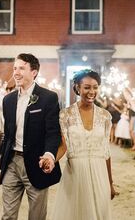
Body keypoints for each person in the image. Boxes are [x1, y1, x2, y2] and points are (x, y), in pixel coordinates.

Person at [0, 53, 61, 220]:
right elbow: (8, 132)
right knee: (7, 216)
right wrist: (3, 156)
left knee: (37, 216)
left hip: (36, 162)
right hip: (11, 162)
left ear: (34, 72)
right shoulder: (8, 100)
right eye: (14, 68)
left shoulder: (48, 98)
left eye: (21, 68)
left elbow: (53, 132)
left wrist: (49, 155)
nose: (16, 72)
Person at [51, 69, 117, 220]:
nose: (91, 91)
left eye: (95, 87)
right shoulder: (65, 115)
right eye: (87, 87)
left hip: (100, 173)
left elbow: (106, 152)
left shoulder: (105, 116)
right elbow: (63, 146)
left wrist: (110, 183)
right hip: (75, 174)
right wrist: (50, 160)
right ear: (77, 88)